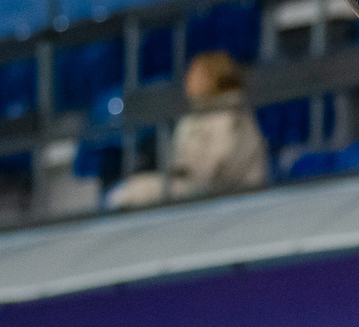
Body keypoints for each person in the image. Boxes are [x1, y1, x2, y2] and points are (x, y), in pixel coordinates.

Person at [109, 51, 267, 209]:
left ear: (212, 77)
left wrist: (184, 172)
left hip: (222, 191)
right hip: (195, 184)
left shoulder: (228, 114)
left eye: (195, 74)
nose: (188, 79)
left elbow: (217, 167)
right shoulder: (195, 114)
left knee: (133, 193)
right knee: (127, 191)